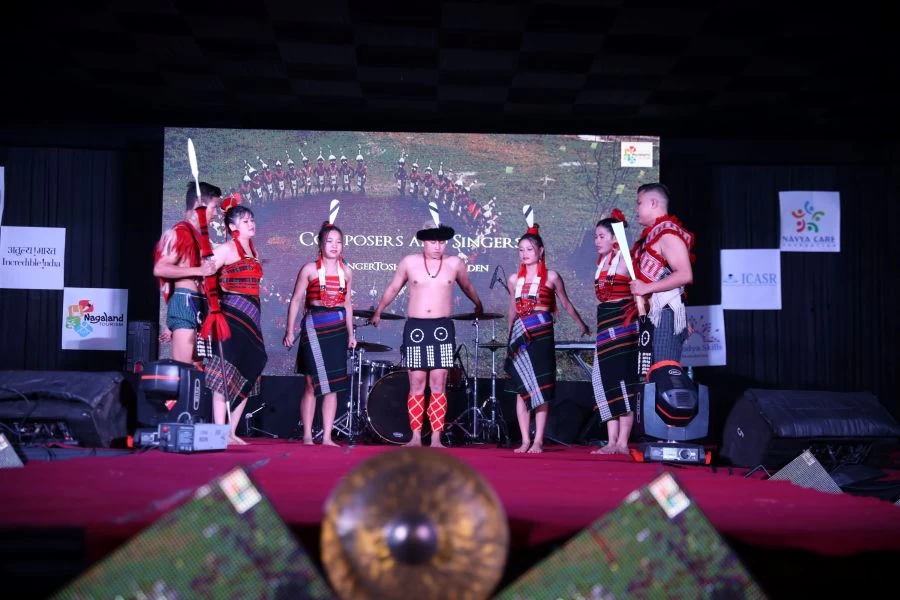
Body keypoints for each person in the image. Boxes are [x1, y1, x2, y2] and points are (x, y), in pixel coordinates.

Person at [371, 220, 483, 448]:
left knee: (439, 381)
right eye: (433, 242)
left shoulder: (455, 263)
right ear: (424, 242)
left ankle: (436, 438)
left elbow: (467, 286)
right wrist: (379, 310)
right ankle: (415, 437)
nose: (438, 246)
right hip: (416, 328)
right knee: (417, 382)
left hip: (442, 328)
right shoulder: (409, 262)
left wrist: (478, 304)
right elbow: (393, 287)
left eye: (441, 242)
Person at [506, 223, 590, 454]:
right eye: (521, 250)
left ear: (540, 251)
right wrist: (510, 335)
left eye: (529, 249)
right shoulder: (514, 279)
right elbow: (512, 309)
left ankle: (538, 441)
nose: (524, 254)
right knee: (522, 389)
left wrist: (581, 324)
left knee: (541, 390)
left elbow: (565, 303)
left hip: (542, 336)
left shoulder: (551, 277)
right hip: (521, 337)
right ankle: (525, 440)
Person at [283, 220, 355, 447]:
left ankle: (326, 436)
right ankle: (307, 435)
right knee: (311, 383)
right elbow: (296, 300)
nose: (334, 246)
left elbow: (348, 304)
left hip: (337, 329)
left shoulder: (347, 272)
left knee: (332, 386)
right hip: (314, 326)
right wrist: (290, 330)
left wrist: (351, 334)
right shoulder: (309, 269)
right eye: (329, 241)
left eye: (338, 242)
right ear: (320, 245)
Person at [204, 197, 268, 445]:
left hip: (252, 319)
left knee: (250, 369)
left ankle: (231, 432)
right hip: (231, 317)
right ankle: (219, 431)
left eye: (252, 220)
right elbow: (206, 273)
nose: (251, 224)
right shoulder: (225, 249)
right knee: (224, 373)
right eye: (245, 221)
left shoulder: (254, 250)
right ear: (232, 227)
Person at [590, 209, 641, 455]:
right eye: (596, 236)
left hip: (622, 325)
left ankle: (622, 442)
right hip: (604, 323)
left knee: (622, 380)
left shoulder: (627, 261)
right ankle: (611, 441)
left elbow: (642, 292)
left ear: (614, 238)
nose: (597, 241)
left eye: (601, 236)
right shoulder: (602, 263)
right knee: (604, 380)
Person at [629, 183, 695, 370]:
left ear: (653, 203)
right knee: (650, 376)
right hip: (652, 315)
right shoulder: (652, 235)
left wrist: (646, 288)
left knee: (663, 372)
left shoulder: (668, 233)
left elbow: (685, 274)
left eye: (639, 203)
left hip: (665, 315)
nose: (636, 208)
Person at [152, 182, 219, 364]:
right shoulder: (179, 232)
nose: (215, 213)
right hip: (185, 301)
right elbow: (160, 268)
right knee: (184, 369)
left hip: (200, 304)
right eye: (213, 207)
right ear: (199, 205)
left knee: (197, 368)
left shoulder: (199, 236)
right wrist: (199, 270)